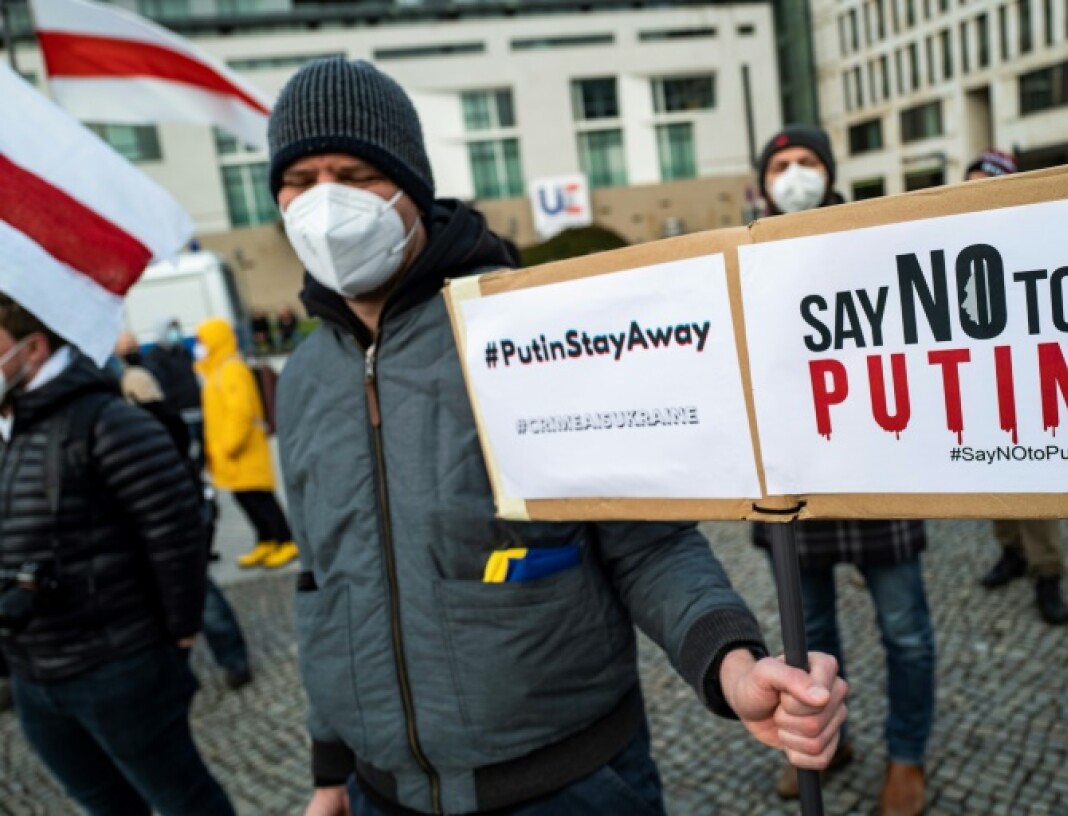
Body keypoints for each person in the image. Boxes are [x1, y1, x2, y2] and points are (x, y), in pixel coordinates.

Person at [269, 58, 848, 816]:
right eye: (300, 179)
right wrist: (329, 772)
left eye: (352, 173)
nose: (325, 203)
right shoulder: (305, 377)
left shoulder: (525, 333)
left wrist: (730, 664)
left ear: (411, 182)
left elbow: (648, 541)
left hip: (570, 785)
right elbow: (322, 581)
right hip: (383, 796)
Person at [753, 125, 936, 816]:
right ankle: (830, 741)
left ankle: (907, 757)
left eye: (807, 162)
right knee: (809, 636)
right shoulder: (744, 251)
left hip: (876, 469)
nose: (795, 174)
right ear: (763, 180)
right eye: (781, 164)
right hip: (791, 481)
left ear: (829, 174)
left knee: (906, 631)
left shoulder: (870, 239)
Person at [0, 294, 234, 815]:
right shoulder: (9, 426)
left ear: (33, 348)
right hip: (34, 675)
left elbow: (177, 531)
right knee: (104, 805)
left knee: (183, 800)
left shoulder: (106, 420)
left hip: (119, 667)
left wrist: (178, 633)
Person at [963, 149, 1068, 627]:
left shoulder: (1032, 242)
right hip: (977, 382)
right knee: (992, 478)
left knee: (1033, 481)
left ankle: (1046, 573)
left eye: (982, 188)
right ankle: (1010, 551)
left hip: (1025, 383)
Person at [112, 334, 255, 690]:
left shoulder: (137, 388)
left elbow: (170, 439)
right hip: (129, 514)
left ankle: (233, 658)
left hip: (162, 506)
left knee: (193, 585)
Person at [194, 317, 298, 569]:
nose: (199, 346)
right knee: (245, 499)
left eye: (202, 340)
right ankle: (266, 540)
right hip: (230, 453)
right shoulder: (216, 369)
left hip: (241, 450)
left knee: (260, 497)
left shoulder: (231, 368)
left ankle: (286, 540)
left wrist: (229, 445)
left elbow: (240, 411)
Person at [143, 317, 204, 466]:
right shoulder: (154, 359)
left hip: (198, 411)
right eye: (171, 330)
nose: (175, 333)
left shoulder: (184, 353)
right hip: (180, 416)